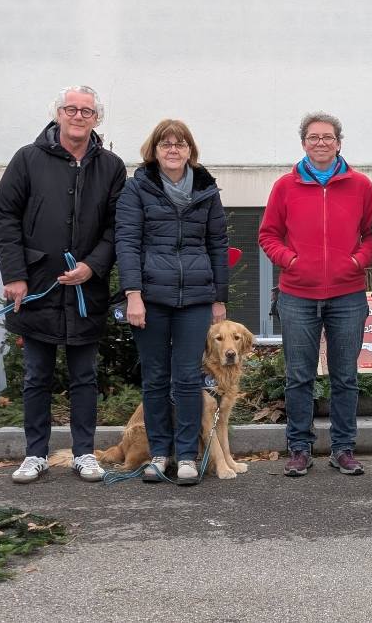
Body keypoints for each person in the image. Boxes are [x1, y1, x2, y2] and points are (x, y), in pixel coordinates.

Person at [0, 85, 126, 484]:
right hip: (38, 286)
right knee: (36, 376)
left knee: (85, 376)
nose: (78, 116)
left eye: (87, 111)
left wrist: (93, 266)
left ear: (97, 118)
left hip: (86, 291)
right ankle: (34, 454)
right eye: (71, 109)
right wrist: (15, 275)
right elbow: (6, 216)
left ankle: (84, 453)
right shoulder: (27, 159)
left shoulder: (111, 166)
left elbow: (117, 227)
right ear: (58, 114)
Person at [259, 112, 372, 477]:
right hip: (297, 295)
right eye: (314, 137)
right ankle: (299, 448)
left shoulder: (360, 186)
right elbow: (268, 235)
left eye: (328, 137)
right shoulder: (285, 186)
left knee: (345, 377)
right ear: (304, 143)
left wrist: (357, 261)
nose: (321, 142)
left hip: (347, 295)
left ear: (339, 143)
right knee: (299, 376)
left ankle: (343, 448)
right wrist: (290, 260)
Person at [116, 119, 229, 485]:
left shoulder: (206, 190)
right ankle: (159, 454)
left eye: (180, 144)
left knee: (187, 378)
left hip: (195, 298)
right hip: (150, 297)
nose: (173, 150)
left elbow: (218, 244)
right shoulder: (137, 189)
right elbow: (127, 243)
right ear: (155, 150)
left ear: (189, 150)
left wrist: (219, 298)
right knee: (155, 378)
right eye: (166, 144)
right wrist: (133, 294)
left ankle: (187, 456)